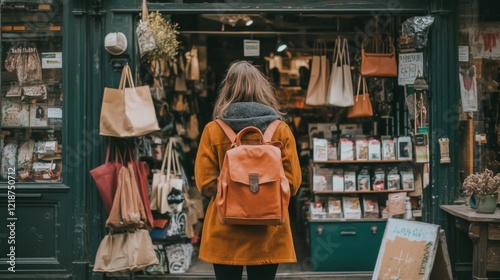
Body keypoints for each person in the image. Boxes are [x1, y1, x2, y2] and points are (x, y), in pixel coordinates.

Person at [194, 60, 302, 280]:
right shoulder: (280, 130)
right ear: (263, 89)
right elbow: (292, 184)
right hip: (269, 232)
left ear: (227, 90)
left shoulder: (213, 130)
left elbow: (204, 184)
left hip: (225, 231)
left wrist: (235, 194)